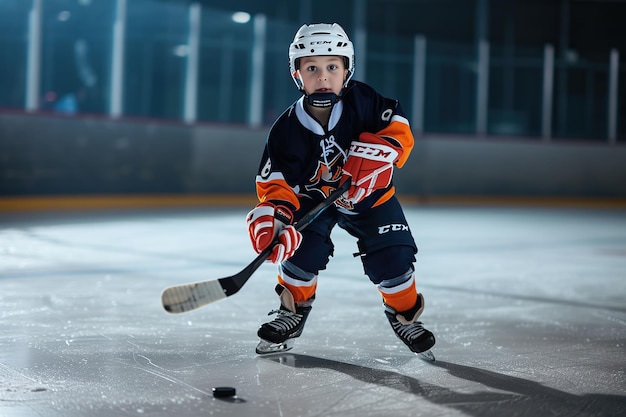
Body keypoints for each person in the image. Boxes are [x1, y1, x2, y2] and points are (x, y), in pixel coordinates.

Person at [246, 23, 435, 355]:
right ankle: (292, 311)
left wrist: (382, 151)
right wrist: (275, 217)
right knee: (300, 249)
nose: (323, 76)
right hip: (317, 201)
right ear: (297, 74)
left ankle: (405, 315)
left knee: (393, 258)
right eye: (312, 68)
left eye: (332, 67)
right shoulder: (285, 130)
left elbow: (398, 128)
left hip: (372, 199)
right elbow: (274, 183)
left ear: (347, 70)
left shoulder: (364, 100)